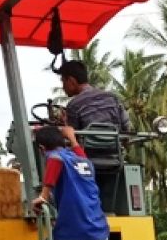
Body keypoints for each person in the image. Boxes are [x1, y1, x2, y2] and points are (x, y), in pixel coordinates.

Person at [28, 125, 108, 240]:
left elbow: (55, 160)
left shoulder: (53, 157)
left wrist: (43, 196)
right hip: (101, 235)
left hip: (80, 239)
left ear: (41, 148)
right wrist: (72, 138)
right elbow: (79, 154)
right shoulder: (84, 162)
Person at [56, 59, 133, 214]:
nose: (63, 87)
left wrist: (63, 124)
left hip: (87, 162)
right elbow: (128, 130)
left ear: (71, 81)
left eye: (63, 82)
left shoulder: (74, 105)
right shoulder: (113, 98)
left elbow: (72, 139)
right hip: (114, 158)